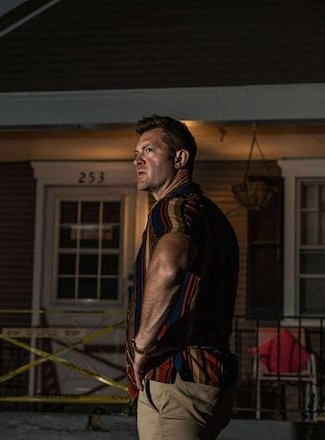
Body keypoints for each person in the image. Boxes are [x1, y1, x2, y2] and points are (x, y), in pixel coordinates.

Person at [126, 115, 239, 440]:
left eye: (149, 150)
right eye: (136, 152)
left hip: (176, 376)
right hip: (209, 377)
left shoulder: (172, 208)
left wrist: (142, 346)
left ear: (180, 158)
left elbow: (168, 265)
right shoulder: (215, 218)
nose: (137, 159)